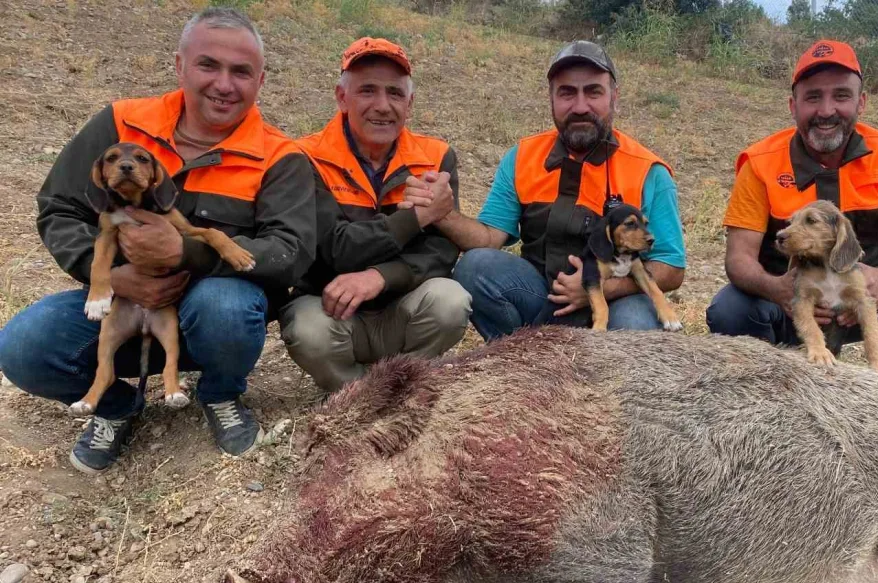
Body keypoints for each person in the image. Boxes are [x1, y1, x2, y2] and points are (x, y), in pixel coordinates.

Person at [0, 8, 317, 472]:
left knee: (225, 306)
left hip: (214, 319)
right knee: (22, 347)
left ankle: (220, 393)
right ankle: (116, 405)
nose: (224, 84)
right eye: (209, 65)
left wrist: (187, 253)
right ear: (180, 65)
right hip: (122, 303)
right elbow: (58, 208)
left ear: (260, 80)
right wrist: (112, 276)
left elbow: (290, 253)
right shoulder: (121, 123)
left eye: (241, 72)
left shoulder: (280, 155)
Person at [705, 40, 878, 405]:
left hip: (861, 295)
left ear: (861, 102)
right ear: (793, 106)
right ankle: (758, 406)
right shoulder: (760, 162)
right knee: (729, 309)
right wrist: (777, 289)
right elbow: (738, 258)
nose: (826, 110)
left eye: (841, 95)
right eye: (812, 97)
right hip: (790, 298)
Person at [441, 40, 686, 339]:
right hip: (541, 296)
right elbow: (488, 238)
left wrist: (600, 289)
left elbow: (671, 267)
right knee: (475, 267)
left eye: (593, 91)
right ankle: (518, 365)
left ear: (614, 97)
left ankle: (602, 381)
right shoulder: (522, 157)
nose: (580, 106)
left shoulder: (649, 171)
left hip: (617, 301)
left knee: (637, 322)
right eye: (567, 92)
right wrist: (444, 215)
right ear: (551, 99)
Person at [279, 37, 470, 392]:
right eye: (367, 91)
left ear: (409, 103)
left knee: (450, 301)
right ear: (342, 97)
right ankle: (356, 393)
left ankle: (405, 384)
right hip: (332, 310)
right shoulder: (304, 156)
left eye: (395, 93)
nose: (383, 106)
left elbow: (441, 253)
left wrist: (381, 277)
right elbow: (331, 249)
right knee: (308, 329)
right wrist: (415, 218)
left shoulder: (436, 156)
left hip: (402, 306)